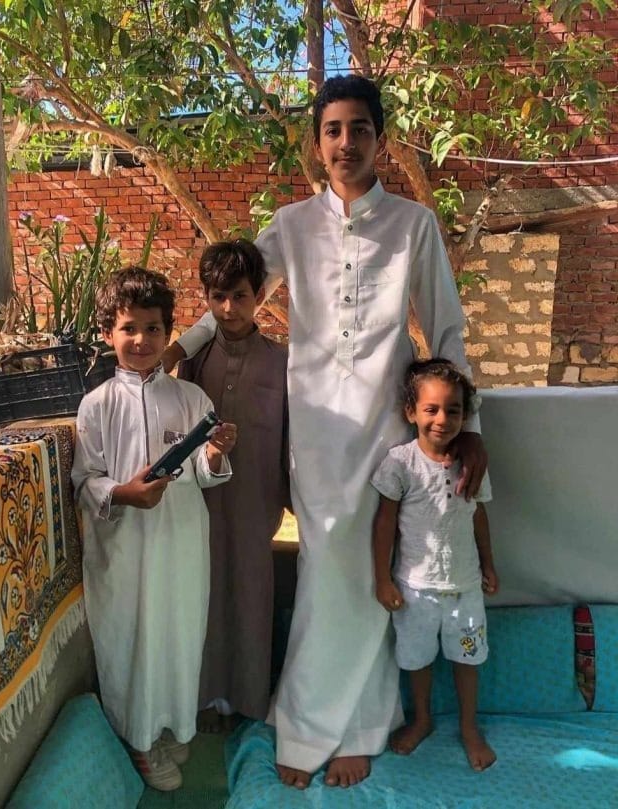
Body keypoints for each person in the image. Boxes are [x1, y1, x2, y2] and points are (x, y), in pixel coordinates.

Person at [162, 74, 488, 789]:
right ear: (317, 143)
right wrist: (179, 346)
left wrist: (467, 427)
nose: (346, 142)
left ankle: (343, 726)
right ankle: (326, 719)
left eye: (360, 129)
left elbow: (445, 328)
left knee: (370, 570)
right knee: (322, 565)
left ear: (381, 139)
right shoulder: (290, 225)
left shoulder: (413, 224)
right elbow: (237, 297)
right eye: (333, 130)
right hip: (312, 427)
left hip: (384, 427)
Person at [71, 267, 237, 791]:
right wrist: (125, 493)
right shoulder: (97, 405)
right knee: (131, 638)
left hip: (182, 541)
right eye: (129, 328)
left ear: (168, 332)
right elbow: (85, 481)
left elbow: (205, 475)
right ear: (108, 333)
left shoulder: (192, 400)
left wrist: (215, 453)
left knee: (179, 632)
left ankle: (171, 725)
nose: (141, 340)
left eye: (152, 328)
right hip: (124, 549)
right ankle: (141, 742)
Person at [177, 239, 289, 733]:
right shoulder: (194, 360)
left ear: (258, 296)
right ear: (206, 297)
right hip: (200, 501)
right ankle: (202, 697)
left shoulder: (281, 362)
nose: (228, 308)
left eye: (239, 296)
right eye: (218, 297)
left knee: (251, 593)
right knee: (203, 592)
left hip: (256, 502)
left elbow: (290, 438)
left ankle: (248, 701)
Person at [371, 358, 498, 772]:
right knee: (417, 659)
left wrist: (488, 565)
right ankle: (422, 719)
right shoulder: (400, 463)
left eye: (453, 410)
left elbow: (479, 515)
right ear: (411, 412)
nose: (442, 419)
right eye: (431, 409)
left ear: (465, 416)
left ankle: (468, 726)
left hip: (465, 588)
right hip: (415, 590)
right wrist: (383, 579)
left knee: (468, 659)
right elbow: (384, 523)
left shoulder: (472, 465)